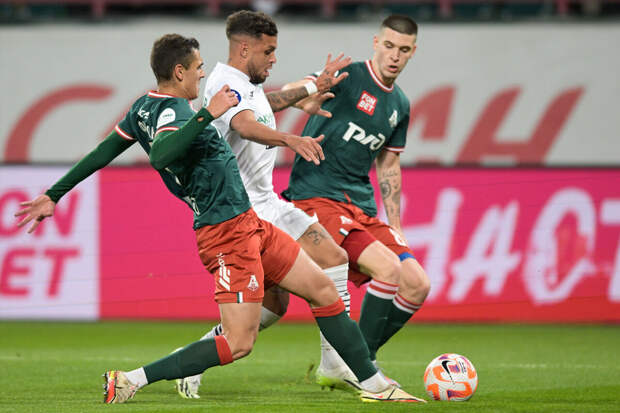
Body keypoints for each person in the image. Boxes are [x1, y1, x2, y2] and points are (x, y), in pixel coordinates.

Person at [14, 33, 425, 404]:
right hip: (226, 234)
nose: (202, 73)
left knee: (323, 287)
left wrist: (53, 194)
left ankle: (373, 383)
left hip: (251, 222)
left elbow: (102, 152)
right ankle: (133, 379)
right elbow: (160, 154)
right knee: (238, 342)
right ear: (179, 72)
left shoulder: (142, 107)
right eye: (197, 67)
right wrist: (207, 114)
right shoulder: (178, 112)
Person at [173, 10, 365, 399]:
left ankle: (333, 365)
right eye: (268, 51)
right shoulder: (224, 83)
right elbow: (245, 125)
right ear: (245, 48)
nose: (274, 58)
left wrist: (310, 88)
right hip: (243, 211)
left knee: (326, 264)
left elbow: (266, 102)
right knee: (278, 302)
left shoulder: (246, 84)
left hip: (269, 202)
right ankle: (192, 358)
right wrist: (290, 139)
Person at [281, 14, 432, 387]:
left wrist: (395, 223)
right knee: (389, 270)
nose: (394, 55)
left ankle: (354, 362)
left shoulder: (400, 104)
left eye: (403, 50)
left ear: (413, 52)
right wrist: (307, 97)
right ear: (376, 43)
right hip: (318, 195)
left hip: (359, 206)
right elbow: (291, 90)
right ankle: (362, 369)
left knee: (417, 284)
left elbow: (389, 163)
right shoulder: (350, 76)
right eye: (389, 46)